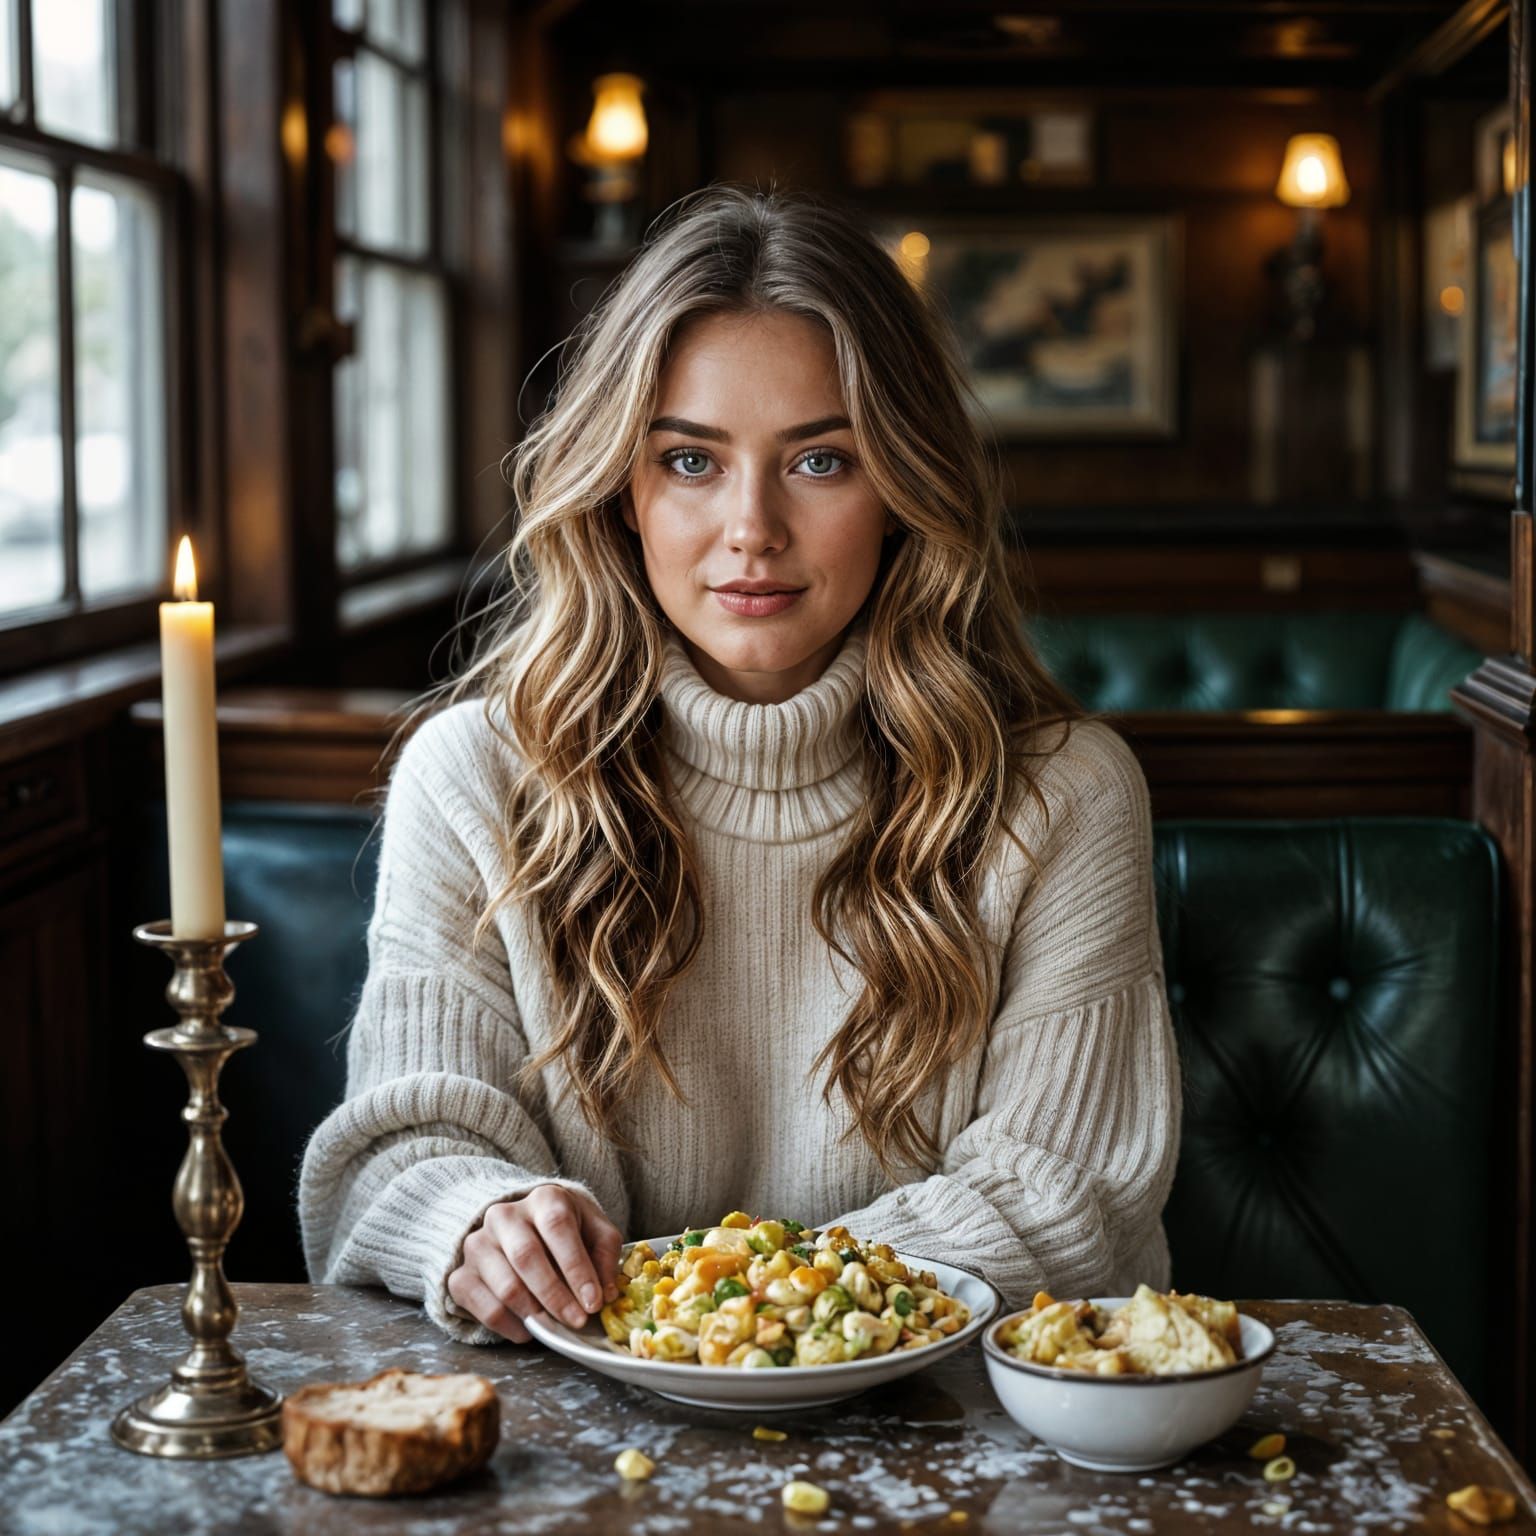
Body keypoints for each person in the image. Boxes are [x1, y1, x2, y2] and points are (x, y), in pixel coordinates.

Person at [299, 183, 1181, 1347]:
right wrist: (480, 1221)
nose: (752, 527)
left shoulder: (1062, 791)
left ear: (906, 491)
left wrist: (742, 1317)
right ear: (620, 491)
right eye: (690, 462)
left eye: (821, 462)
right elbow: (404, 1151)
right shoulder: (473, 775)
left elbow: (1069, 1192)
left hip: (954, 1431)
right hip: (576, 1431)